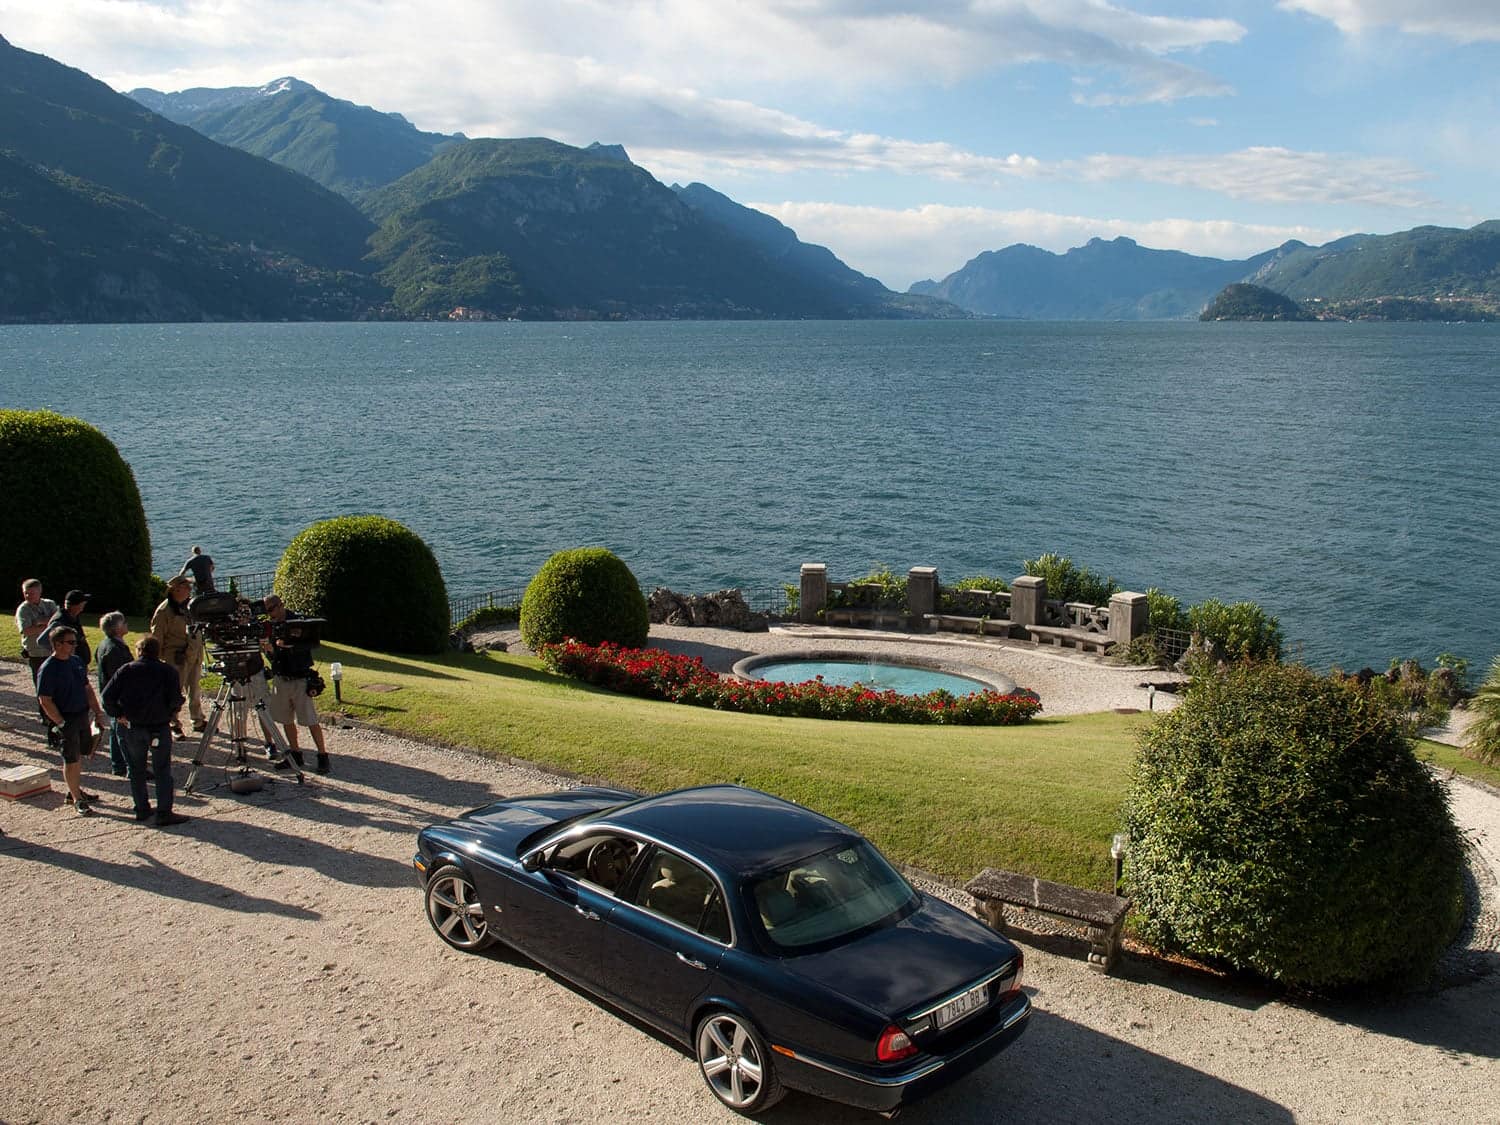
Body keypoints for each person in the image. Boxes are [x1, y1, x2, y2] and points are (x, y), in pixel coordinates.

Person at [102, 636, 188, 828]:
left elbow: (107, 697)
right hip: (159, 726)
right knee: (162, 769)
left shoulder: (126, 670)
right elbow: (176, 698)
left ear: (139, 651)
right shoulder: (168, 671)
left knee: (136, 769)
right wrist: (171, 712)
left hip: (133, 727)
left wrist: (117, 714)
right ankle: (164, 812)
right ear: (157, 652)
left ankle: (141, 809)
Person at [36, 625, 108, 816]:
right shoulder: (48, 668)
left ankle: (74, 790)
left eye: (75, 642)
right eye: (70, 642)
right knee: (71, 758)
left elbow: (87, 688)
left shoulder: (75, 661)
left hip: (81, 715)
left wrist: (97, 711)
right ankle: (76, 798)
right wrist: (60, 723)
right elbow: (45, 700)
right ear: (57, 644)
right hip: (65, 718)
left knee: (80, 753)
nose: (75, 645)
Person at [264, 595, 330, 774]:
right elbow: (272, 656)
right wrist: (271, 651)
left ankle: (322, 755)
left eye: (272, 609)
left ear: (281, 605)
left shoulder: (299, 623)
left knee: (310, 719)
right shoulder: (271, 627)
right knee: (286, 719)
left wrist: (287, 647)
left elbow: (309, 646)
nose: (270, 614)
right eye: (267, 610)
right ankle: (295, 753)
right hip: (281, 678)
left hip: (299, 678)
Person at [150, 575, 206, 734]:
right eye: (187, 587)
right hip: (176, 657)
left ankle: (197, 719)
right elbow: (157, 637)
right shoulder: (164, 611)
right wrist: (159, 659)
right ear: (176, 589)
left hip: (193, 654)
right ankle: (173, 722)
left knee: (195, 688)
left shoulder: (189, 606)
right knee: (174, 691)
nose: (190, 589)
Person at [96, 611, 135, 778]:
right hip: (118, 699)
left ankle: (118, 764)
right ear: (118, 628)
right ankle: (129, 766)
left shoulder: (105, 644)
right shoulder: (114, 650)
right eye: (124, 622)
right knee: (123, 733)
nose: (127, 624)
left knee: (115, 731)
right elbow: (119, 679)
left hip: (111, 697)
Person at [15, 578, 58, 729]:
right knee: (42, 685)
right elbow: (26, 630)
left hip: (52, 650)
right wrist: (47, 625)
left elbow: (58, 622)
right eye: (26, 593)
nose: (28, 596)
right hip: (36, 653)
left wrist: (40, 622)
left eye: (31, 593)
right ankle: (46, 716)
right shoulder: (23, 609)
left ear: (40, 592)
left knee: (57, 683)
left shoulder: (49, 604)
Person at [46, 590, 93, 669]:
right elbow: (43, 641)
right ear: (75, 606)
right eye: (82, 604)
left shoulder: (73, 617)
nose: (83, 606)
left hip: (77, 663)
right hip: (68, 665)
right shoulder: (60, 621)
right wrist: (64, 655)